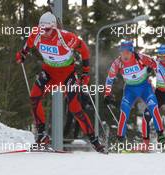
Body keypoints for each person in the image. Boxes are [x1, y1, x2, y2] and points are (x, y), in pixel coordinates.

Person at [16, 12, 105, 153]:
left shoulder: (66, 37)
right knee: (34, 97)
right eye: (41, 29)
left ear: (54, 27)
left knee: (75, 108)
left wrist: (86, 72)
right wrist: (23, 53)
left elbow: (84, 49)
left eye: (47, 29)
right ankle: (41, 136)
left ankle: (94, 140)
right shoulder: (36, 33)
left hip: (67, 74)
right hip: (49, 72)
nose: (44, 33)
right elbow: (29, 43)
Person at [104, 41, 165, 149]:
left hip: (145, 88)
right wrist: (107, 94)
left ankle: (161, 137)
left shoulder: (141, 58)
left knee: (154, 108)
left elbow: (159, 67)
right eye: (122, 53)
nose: (125, 55)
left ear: (132, 52)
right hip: (130, 90)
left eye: (127, 52)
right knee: (124, 112)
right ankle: (120, 140)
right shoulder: (117, 63)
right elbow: (110, 79)